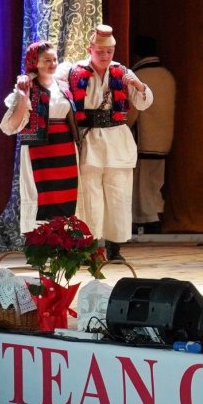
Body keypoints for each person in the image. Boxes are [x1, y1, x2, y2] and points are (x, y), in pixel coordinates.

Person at [61, 25, 153, 259]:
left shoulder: (122, 72)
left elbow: (143, 103)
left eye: (110, 52)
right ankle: (90, 247)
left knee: (118, 195)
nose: (105, 56)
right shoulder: (73, 71)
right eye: (101, 51)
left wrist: (139, 86)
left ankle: (115, 247)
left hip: (116, 141)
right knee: (90, 197)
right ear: (90, 49)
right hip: (89, 140)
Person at [0, 41, 80, 232]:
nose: (52, 64)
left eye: (54, 59)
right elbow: (11, 126)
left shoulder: (62, 86)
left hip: (65, 147)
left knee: (65, 193)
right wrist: (23, 96)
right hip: (39, 150)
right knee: (41, 195)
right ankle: (41, 244)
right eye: (46, 60)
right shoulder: (27, 88)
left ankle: (65, 242)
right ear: (35, 62)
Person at [129, 36, 175, 234]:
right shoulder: (167, 75)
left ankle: (147, 220)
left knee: (142, 182)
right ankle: (154, 215)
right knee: (155, 180)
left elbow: (132, 112)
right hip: (164, 138)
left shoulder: (138, 75)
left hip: (144, 137)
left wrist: (124, 128)